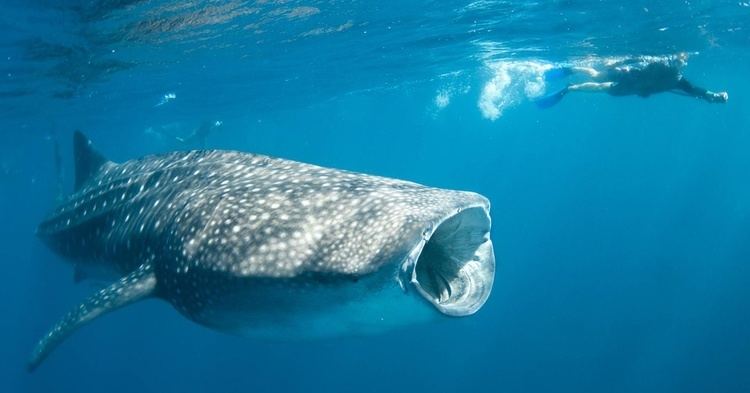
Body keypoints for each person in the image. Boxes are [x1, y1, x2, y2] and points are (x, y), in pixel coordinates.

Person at [535, 53, 728, 108]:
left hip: (633, 87)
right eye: (678, 59)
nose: (680, 63)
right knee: (596, 76)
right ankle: (571, 69)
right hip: (628, 75)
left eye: (683, 60)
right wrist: (614, 63)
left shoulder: (678, 80)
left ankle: (570, 88)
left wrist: (713, 95)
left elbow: (696, 91)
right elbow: (635, 58)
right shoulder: (659, 63)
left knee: (602, 87)